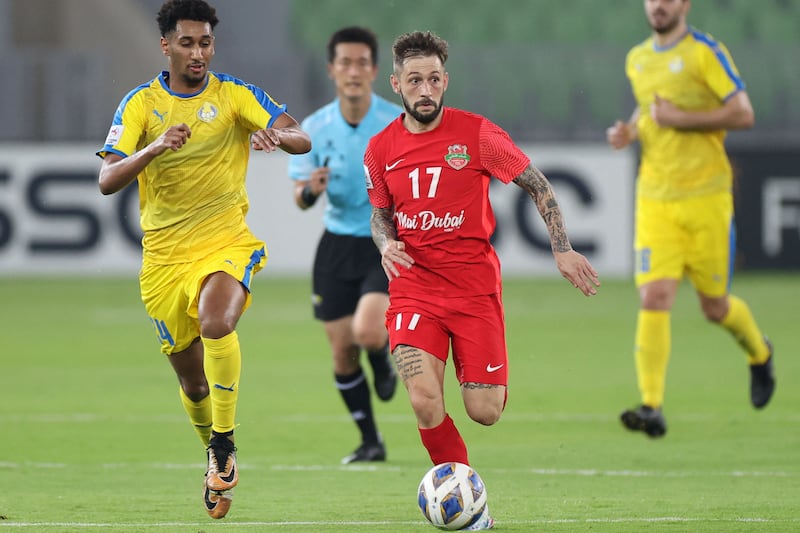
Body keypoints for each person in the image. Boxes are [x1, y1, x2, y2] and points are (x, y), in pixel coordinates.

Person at [364, 31, 600, 531]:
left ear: (445, 81)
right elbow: (379, 214)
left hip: (474, 291)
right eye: (414, 80)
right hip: (414, 288)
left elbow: (536, 184)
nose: (424, 89)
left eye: (433, 79)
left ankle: (487, 393)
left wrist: (561, 248)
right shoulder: (380, 148)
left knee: (484, 410)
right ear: (397, 85)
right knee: (424, 399)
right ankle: (470, 510)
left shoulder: (476, 135)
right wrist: (386, 244)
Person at [96, 0, 311, 519]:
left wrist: (276, 137)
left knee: (218, 321)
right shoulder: (141, 105)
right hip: (165, 259)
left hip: (224, 241)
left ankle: (224, 443)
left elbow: (302, 138)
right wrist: (152, 150)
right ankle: (212, 457)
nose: (199, 52)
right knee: (192, 382)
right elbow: (107, 180)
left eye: (206, 42)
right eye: (188, 42)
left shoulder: (234, 94)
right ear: (165, 44)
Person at [606, 0, 774, 438]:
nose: (658, 5)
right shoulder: (637, 58)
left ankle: (759, 353)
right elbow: (649, 110)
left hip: (705, 197)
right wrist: (630, 130)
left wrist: (684, 120)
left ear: (684, 4)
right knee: (654, 296)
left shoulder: (706, 52)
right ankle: (651, 405)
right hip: (655, 198)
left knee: (715, 307)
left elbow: (743, 112)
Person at [287, 27, 402, 464]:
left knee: (369, 331)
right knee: (341, 351)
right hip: (335, 247)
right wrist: (312, 190)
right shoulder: (312, 129)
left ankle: (382, 361)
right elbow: (299, 199)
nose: (353, 71)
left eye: (361, 63)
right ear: (332, 70)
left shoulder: (395, 122)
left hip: (382, 242)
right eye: (344, 63)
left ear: (374, 70)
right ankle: (370, 441)